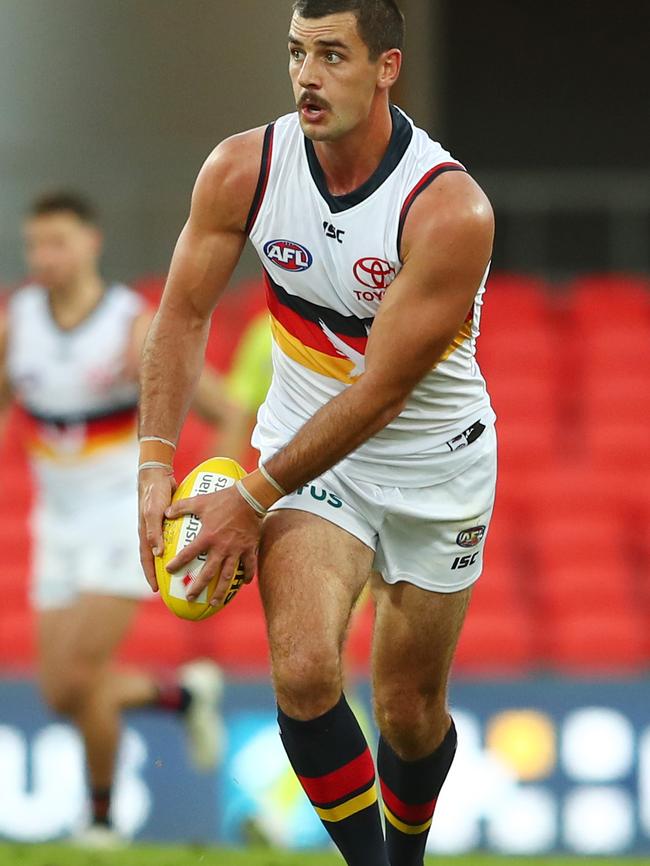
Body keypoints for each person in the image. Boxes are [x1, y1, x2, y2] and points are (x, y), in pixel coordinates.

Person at [138, 1, 496, 864]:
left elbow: (380, 392)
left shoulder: (447, 210)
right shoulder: (242, 170)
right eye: (297, 52)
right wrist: (154, 462)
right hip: (308, 453)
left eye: (332, 54)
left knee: (409, 716)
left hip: (435, 465)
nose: (306, 74)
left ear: (387, 68)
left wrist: (249, 499)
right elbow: (183, 314)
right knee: (303, 673)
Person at [0, 192, 229, 848]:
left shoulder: (132, 326)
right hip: (56, 524)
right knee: (58, 693)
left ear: (91, 243)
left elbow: (226, 406)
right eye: (35, 245)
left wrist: (218, 492)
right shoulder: (18, 322)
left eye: (57, 243)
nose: (44, 257)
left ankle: (100, 823)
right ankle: (184, 698)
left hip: (121, 520)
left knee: (79, 677)